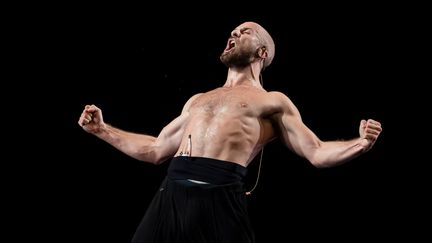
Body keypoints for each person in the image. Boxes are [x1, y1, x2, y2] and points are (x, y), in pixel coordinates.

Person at [78, 21, 382, 243]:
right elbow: (156, 149)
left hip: (219, 199)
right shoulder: (198, 100)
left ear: (262, 52)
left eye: (244, 32)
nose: (234, 34)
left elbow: (315, 151)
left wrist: (361, 144)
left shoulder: (272, 101)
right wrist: (102, 130)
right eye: (233, 31)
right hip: (170, 196)